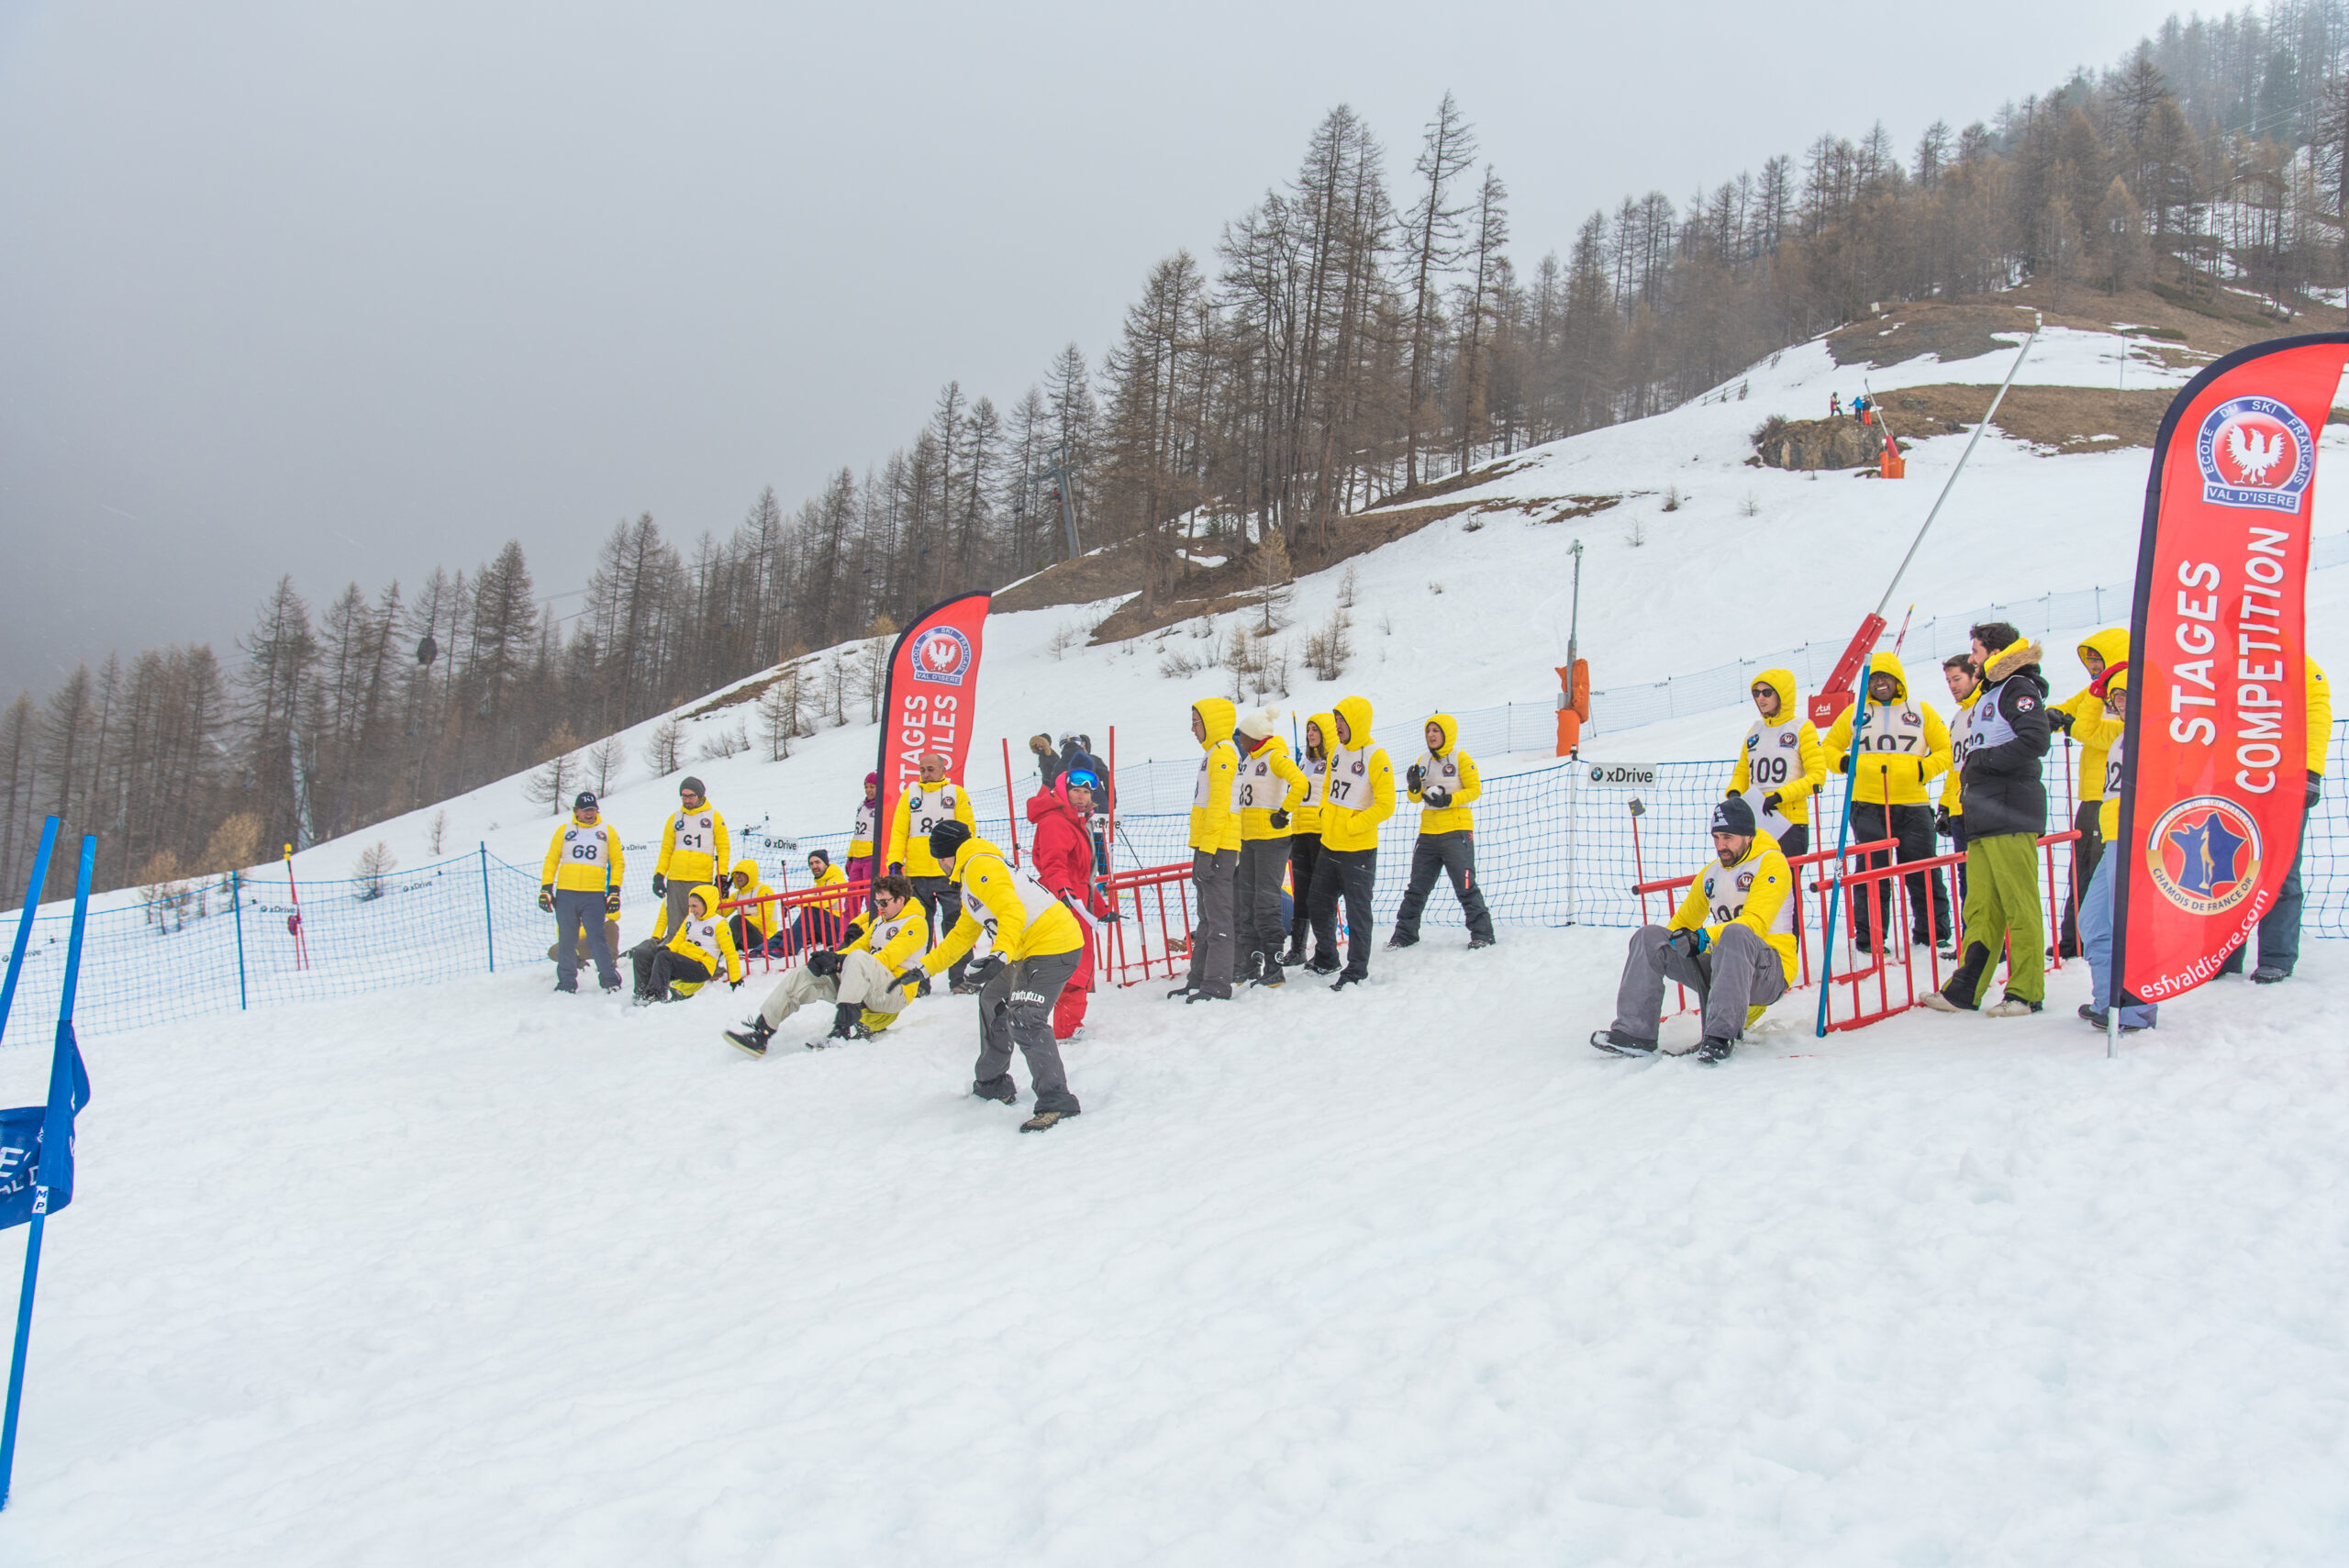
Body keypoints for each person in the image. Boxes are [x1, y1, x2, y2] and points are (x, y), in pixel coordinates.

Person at [895, 820, 1084, 1133]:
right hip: (1026, 949)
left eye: (938, 859)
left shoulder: (981, 865)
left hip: (1055, 945)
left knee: (1024, 1017)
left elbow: (1012, 912)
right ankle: (992, 1082)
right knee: (992, 999)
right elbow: (959, 937)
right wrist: (923, 969)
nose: (939, 866)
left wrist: (999, 955)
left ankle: (1056, 1100)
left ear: (944, 856)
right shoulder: (971, 876)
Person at [1590, 796, 1796, 1064]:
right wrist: (1674, 943)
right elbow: (1681, 924)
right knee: (1650, 937)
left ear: (1748, 836)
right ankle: (1635, 1034)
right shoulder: (1710, 875)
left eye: (1728, 837)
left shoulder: (1771, 863)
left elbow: (1755, 922)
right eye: (1717, 837)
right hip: (1725, 967)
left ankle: (1719, 1037)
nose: (1721, 845)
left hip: (1768, 969)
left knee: (1736, 934)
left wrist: (1704, 937)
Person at [1923, 623, 2051, 1018]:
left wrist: (1982, 763)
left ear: (1994, 652)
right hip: (1980, 815)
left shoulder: (2018, 687)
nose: (1972, 658)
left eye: (1976, 651)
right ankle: (1965, 989)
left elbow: (2035, 740)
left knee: (2019, 903)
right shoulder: (1987, 695)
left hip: (2010, 812)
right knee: (1981, 907)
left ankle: (2026, 991)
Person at [1822, 651, 1952, 954]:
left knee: (1923, 869)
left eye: (1886, 677)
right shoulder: (1856, 712)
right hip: (1867, 804)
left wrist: (1924, 769)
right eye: (1875, 677)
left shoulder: (1920, 710)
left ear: (1898, 681)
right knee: (1872, 873)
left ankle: (1932, 934)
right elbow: (1827, 746)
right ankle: (1870, 939)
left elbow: (1945, 749)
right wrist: (1843, 763)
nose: (1880, 683)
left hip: (1912, 803)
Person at [2216, 655, 2330, 984]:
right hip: (2233, 781)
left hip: (2285, 782)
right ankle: (2223, 953)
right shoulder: (2226, 662)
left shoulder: (2300, 664)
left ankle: (2276, 957)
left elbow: (2317, 714)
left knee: (2282, 871)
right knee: (2229, 868)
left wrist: (2311, 772)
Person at [724, 873, 929, 1054]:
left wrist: (842, 961)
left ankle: (841, 1031)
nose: (880, 908)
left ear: (901, 900)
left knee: (857, 958)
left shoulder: (916, 923)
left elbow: (888, 957)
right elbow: (858, 946)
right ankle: (763, 1031)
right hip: (865, 984)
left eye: (884, 903)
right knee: (805, 973)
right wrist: (831, 958)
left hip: (895, 992)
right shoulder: (879, 922)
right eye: (877, 903)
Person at [2071, 664, 2154, 1034]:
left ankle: (2135, 1008)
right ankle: (2107, 1000)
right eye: (2116, 697)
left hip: (2139, 836)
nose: (2121, 703)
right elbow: (2083, 729)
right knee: (2093, 922)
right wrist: (2095, 691)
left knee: (2129, 925)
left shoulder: (2160, 732)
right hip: (2112, 837)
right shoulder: (2120, 734)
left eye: (2127, 695)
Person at [1308, 694, 1396, 990]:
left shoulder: (1376, 756)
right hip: (1330, 845)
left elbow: (1386, 804)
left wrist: (1355, 825)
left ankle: (1356, 969)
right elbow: (1326, 791)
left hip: (1358, 849)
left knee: (1358, 912)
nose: (1337, 726)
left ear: (1355, 722)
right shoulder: (1336, 753)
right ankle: (1326, 957)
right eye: (1335, 721)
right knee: (1317, 903)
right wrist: (1323, 813)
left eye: (1342, 721)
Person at [2051, 628, 2129, 958]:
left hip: (2114, 793)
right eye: (2090, 661)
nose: (2094, 667)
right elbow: (2069, 710)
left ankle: (2090, 941)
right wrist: (2051, 716)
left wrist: (2074, 726)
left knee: (2100, 871)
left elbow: (2103, 732)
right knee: (2082, 869)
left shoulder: (2128, 691)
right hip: (2093, 794)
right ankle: (2074, 940)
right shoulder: (2096, 692)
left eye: (2099, 659)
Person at [1390, 712, 1496, 950]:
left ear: (1446, 733)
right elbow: (1414, 799)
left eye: (1436, 731)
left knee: (1465, 886)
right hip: (1428, 833)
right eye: (1429, 731)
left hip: (1456, 831)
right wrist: (1414, 787)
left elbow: (1475, 789)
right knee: (1416, 888)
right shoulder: (1422, 760)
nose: (1431, 735)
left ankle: (1483, 934)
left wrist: (1448, 799)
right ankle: (1404, 935)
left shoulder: (1460, 758)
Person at [1027, 768, 1119, 1038]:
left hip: (1076, 901)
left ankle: (1067, 1025)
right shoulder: (1056, 821)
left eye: (1086, 791)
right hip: (1065, 904)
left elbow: (1083, 876)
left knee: (1077, 964)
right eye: (1076, 790)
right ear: (1063, 791)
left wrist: (1100, 910)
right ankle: (1065, 1029)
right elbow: (1054, 866)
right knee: (1073, 966)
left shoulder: (1077, 821)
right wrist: (1065, 894)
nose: (1081, 796)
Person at [1226, 706, 1308, 985]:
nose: (1239, 739)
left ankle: (1274, 967)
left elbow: (1300, 782)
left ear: (1254, 736)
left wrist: (1283, 812)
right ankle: (1249, 965)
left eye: (1243, 735)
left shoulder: (1275, 756)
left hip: (1272, 841)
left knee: (1266, 903)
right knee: (1245, 903)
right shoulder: (1248, 760)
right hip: (1248, 841)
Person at [884, 751, 977, 993]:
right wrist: (895, 862)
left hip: (949, 873)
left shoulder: (956, 794)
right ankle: (918, 983)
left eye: (931, 769)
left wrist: (965, 862)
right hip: (917, 874)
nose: (926, 774)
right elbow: (898, 832)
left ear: (943, 770)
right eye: (922, 769)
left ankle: (960, 980)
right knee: (919, 930)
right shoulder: (910, 794)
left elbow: (968, 831)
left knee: (956, 927)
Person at [1174, 698, 1242, 1001]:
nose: (1192, 729)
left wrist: (1209, 850)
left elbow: (1219, 806)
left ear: (1211, 723)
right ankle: (1199, 978)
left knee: (1218, 918)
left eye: (1196, 723)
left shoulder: (1224, 752)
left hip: (1219, 847)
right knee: (1206, 917)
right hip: (1208, 845)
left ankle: (1217, 984)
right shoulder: (1213, 753)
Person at [1726, 670, 1825, 858]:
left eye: (1767, 693)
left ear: (1782, 695)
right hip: (1757, 823)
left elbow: (1818, 776)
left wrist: (1779, 796)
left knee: (1787, 883)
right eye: (1756, 693)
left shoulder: (1802, 728)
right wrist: (1734, 794)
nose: (1761, 698)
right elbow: (1742, 772)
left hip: (1790, 823)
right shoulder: (1755, 730)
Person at [540, 790, 624, 993]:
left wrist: (614, 891)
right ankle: (567, 982)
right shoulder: (564, 830)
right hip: (566, 893)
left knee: (597, 937)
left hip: (593, 894)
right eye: (585, 810)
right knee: (567, 939)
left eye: (593, 810)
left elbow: (618, 862)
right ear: (576, 811)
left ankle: (610, 979)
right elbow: (551, 860)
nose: (589, 814)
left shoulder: (607, 831)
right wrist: (546, 889)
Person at [1282, 710, 1337, 967]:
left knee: (1320, 894)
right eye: (1308, 729)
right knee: (1301, 893)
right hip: (1300, 833)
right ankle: (1298, 949)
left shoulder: (1334, 760)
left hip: (1320, 833)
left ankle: (1326, 949)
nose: (1311, 734)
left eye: (1315, 729)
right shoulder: (1304, 761)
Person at [628, 884, 743, 1005]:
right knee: (642, 954)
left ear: (707, 904)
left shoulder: (719, 924)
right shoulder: (690, 918)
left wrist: (735, 980)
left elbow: (730, 954)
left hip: (701, 967)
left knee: (664, 957)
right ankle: (641, 993)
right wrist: (666, 947)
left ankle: (655, 996)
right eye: (690, 906)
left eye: (695, 906)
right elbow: (678, 939)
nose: (692, 909)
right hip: (684, 960)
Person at [1935, 652, 1981, 939]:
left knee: (1982, 881)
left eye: (1957, 679)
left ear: (1974, 676)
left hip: (1979, 809)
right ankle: (1971, 939)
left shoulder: (1983, 709)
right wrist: (1943, 806)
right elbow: (1954, 769)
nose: (1952, 685)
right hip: (1958, 811)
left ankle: (1991, 943)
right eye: (1949, 680)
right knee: (1965, 881)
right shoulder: (1958, 717)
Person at [653, 776, 729, 936]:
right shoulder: (674, 818)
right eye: (684, 796)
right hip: (676, 878)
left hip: (700, 878)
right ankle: (673, 956)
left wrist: (722, 876)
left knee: (699, 921)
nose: (687, 800)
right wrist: (659, 875)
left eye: (691, 796)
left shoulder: (713, 817)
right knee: (676, 924)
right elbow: (666, 849)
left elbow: (723, 849)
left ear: (700, 796)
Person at [787, 850, 852, 956]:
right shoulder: (818, 886)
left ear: (826, 864)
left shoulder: (837, 881)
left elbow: (825, 902)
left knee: (811, 909)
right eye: (811, 864)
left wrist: (797, 902)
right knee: (788, 931)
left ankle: (790, 948)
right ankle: (762, 950)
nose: (814, 866)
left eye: (817, 862)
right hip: (825, 928)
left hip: (839, 929)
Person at [723, 857, 774, 960]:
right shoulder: (736, 895)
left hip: (764, 938)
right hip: (744, 939)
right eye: (736, 874)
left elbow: (764, 920)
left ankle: (722, 954)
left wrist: (743, 921)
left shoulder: (763, 890)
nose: (738, 877)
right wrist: (721, 896)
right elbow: (721, 914)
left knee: (737, 920)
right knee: (722, 927)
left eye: (741, 874)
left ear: (750, 875)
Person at [846, 773, 880, 901]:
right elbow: (857, 833)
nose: (868, 790)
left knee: (870, 895)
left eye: (872, 787)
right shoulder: (862, 806)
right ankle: (851, 921)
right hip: (857, 857)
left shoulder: (883, 805)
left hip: (871, 856)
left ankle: (870, 920)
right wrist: (850, 857)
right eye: (866, 787)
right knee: (852, 897)